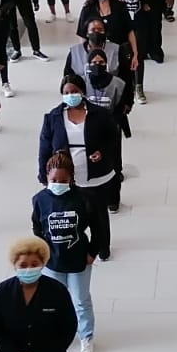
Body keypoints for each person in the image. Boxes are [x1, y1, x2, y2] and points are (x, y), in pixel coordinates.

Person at [33, 153, 104, 352]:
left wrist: (92, 252)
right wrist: (43, 252)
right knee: (55, 300)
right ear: (46, 177)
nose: (58, 184)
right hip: (52, 262)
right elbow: (37, 228)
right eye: (54, 180)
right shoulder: (40, 200)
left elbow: (98, 227)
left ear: (72, 179)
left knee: (81, 300)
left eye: (63, 180)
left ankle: (86, 336)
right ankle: (58, 334)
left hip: (79, 260)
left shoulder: (83, 198)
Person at [38, 75, 120, 241]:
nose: (71, 95)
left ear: (82, 91)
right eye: (66, 92)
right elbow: (44, 148)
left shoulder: (100, 114)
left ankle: (102, 247)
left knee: (98, 216)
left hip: (94, 174)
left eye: (74, 91)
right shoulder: (53, 117)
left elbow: (113, 138)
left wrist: (102, 152)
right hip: (65, 176)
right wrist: (43, 174)